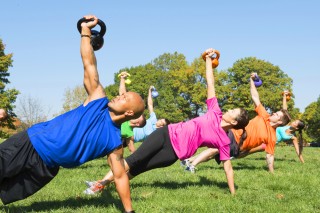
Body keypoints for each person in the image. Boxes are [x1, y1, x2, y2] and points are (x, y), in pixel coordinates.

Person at [0, 15, 144, 213]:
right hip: (31, 143)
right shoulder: (97, 100)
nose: (120, 96)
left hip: (46, 168)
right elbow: (89, 64)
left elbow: (119, 176)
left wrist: (129, 211)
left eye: (125, 98)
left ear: (129, 112)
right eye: (123, 94)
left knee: (5, 191)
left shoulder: (114, 143)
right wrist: (85, 31)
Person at [83, 48, 250, 196]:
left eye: (233, 112)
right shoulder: (215, 111)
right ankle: (99, 185)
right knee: (134, 159)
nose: (228, 110)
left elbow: (228, 168)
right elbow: (210, 83)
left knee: (139, 169)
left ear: (235, 122)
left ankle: (109, 186)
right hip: (167, 134)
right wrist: (207, 60)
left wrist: (233, 193)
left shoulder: (223, 140)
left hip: (174, 154)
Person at [181, 73, 292, 174]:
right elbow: (255, 97)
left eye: (276, 115)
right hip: (233, 133)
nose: (273, 114)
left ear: (280, 122)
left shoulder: (272, 136)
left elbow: (270, 155)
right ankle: (191, 165)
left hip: (238, 147)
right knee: (216, 148)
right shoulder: (264, 116)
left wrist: (271, 172)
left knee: (214, 153)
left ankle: (188, 161)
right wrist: (252, 82)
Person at [84, 85, 170, 194]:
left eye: (161, 123)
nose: (158, 122)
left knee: (119, 163)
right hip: (123, 133)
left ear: (163, 127)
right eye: (160, 120)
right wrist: (149, 92)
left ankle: (99, 184)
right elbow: (150, 104)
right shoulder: (153, 119)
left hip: (128, 139)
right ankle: (99, 183)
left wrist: (133, 148)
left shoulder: (157, 133)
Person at [118, 71, 147, 153]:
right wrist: (122, 79)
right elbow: (123, 94)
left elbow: (132, 149)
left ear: (137, 124)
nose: (135, 115)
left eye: (137, 117)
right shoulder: (126, 115)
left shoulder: (129, 133)